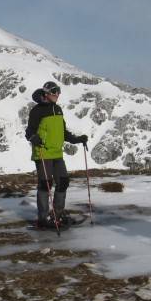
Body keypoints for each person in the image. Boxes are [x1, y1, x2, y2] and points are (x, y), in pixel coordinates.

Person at [25, 81, 89, 229]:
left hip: (57, 153)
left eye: (58, 91)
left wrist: (78, 139)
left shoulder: (58, 109)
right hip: (43, 152)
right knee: (45, 185)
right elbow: (29, 131)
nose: (57, 94)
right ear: (46, 93)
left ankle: (57, 216)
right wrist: (33, 138)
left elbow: (63, 132)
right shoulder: (37, 111)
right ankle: (43, 218)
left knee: (63, 182)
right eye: (54, 91)